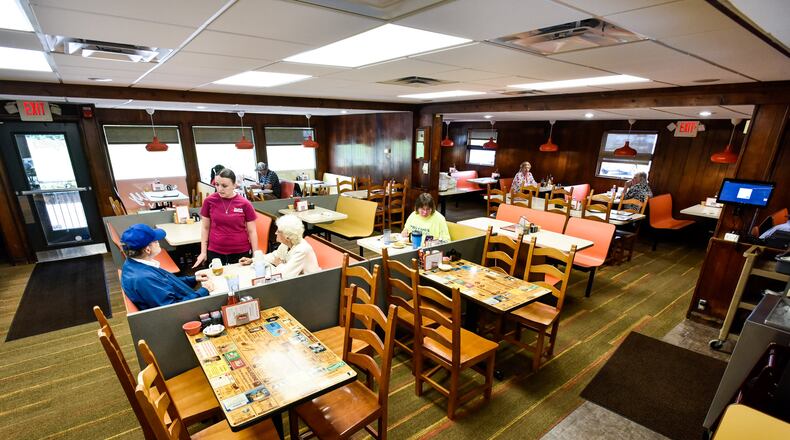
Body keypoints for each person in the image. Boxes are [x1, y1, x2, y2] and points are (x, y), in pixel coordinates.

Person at [120, 224, 213, 310]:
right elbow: (173, 308)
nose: (159, 242)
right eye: (156, 241)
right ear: (147, 250)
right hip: (186, 311)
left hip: (187, 301)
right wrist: (204, 291)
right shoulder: (145, 279)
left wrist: (193, 279)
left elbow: (167, 282)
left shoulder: (134, 265)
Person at [194, 168, 258, 268]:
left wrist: (255, 255)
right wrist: (203, 252)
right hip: (215, 251)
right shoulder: (209, 201)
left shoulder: (245, 204)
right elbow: (205, 228)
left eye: (224, 186)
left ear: (234, 185)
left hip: (240, 251)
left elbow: (252, 231)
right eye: (217, 184)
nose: (219, 189)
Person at [262, 214, 320, 278]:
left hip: (309, 283)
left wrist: (279, 264)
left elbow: (286, 275)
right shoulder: (286, 243)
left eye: (278, 231)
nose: (275, 233)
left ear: (287, 237)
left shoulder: (302, 250)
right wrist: (254, 260)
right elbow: (275, 256)